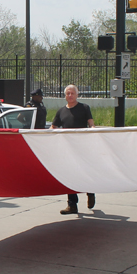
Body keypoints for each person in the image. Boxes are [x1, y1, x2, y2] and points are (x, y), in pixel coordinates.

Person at [50, 84, 96, 214]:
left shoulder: (84, 108)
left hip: (82, 147)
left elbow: (91, 123)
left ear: (77, 94)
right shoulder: (61, 111)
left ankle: (90, 192)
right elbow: (53, 127)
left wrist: (93, 130)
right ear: (65, 96)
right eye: (67, 94)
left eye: (72, 93)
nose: (70, 96)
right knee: (69, 174)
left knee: (85, 171)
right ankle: (72, 205)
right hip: (67, 148)